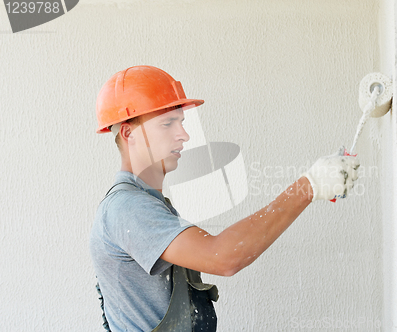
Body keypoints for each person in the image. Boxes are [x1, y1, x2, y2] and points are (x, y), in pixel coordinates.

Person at [89, 65, 360, 332]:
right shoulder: (128, 208)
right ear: (128, 133)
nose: (183, 134)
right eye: (167, 123)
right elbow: (223, 257)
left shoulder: (148, 203)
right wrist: (308, 186)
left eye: (181, 122)